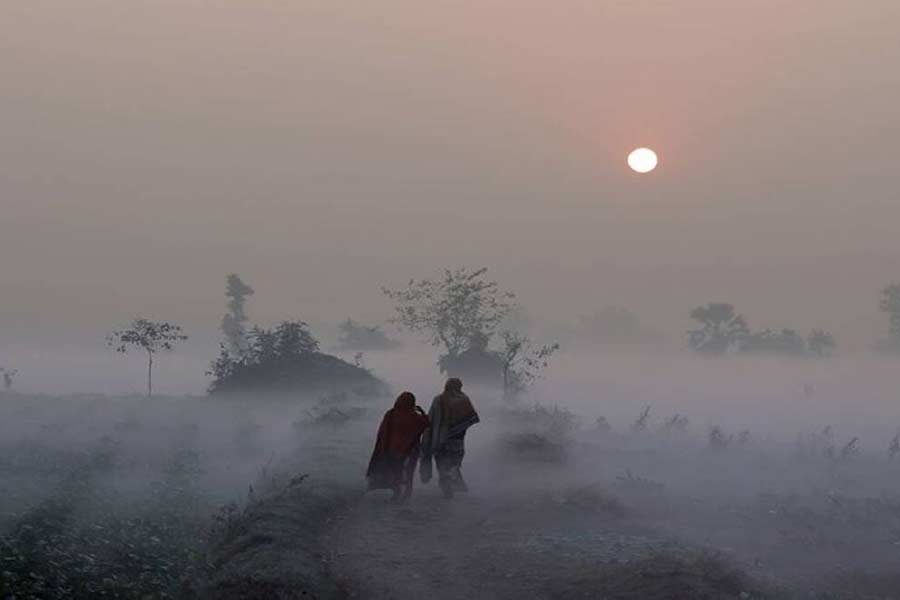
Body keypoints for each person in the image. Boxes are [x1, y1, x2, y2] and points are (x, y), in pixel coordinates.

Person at [420, 378, 480, 498]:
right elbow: (470, 419)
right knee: (454, 463)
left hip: (440, 439)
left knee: (441, 463)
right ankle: (450, 482)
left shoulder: (438, 399)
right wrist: (458, 428)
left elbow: (431, 419)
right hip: (457, 440)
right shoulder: (464, 400)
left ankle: (446, 485)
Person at [366, 391, 430, 503]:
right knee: (409, 471)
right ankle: (407, 493)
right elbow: (426, 423)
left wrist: (382, 448)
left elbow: (383, 431)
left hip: (393, 450)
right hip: (411, 450)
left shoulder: (391, 414)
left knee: (396, 471)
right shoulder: (415, 417)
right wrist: (422, 412)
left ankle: (396, 493)